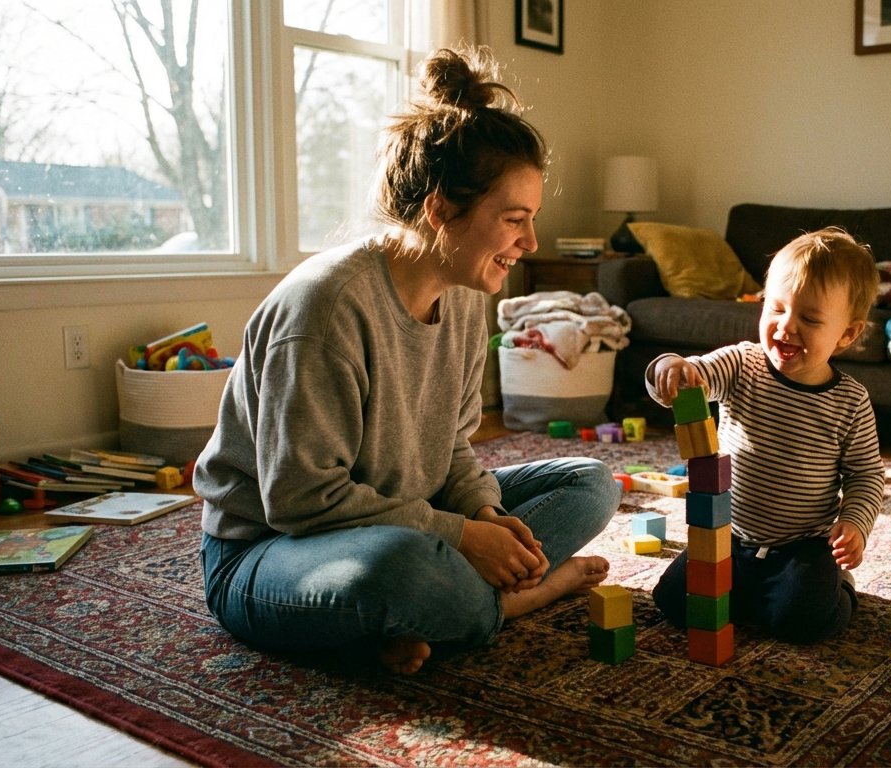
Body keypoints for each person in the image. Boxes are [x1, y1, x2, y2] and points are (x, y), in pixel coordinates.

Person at [194, 46, 619, 675]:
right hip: (271, 551)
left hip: (406, 516)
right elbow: (299, 500)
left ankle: (429, 611)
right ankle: (511, 601)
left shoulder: (465, 295)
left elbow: (451, 447)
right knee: (401, 568)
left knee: (590, 483)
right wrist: (461, 539)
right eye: (514, 219)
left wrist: (484, 516)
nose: (529, 242)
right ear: (442, 209)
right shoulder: (327, 308)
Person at [646, 226, 885, 643]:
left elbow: (867, 476)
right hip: (728, 536)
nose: (785, 327)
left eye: (809, 318)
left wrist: (854, 524)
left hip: (802, 547)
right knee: (672, 602)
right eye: (775, 309)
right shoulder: (742, 364)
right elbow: (693, 375)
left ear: (846, 334)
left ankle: (840, 585)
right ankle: (751, 590)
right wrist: (670, 366)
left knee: (802, 622)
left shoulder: (850, 401)